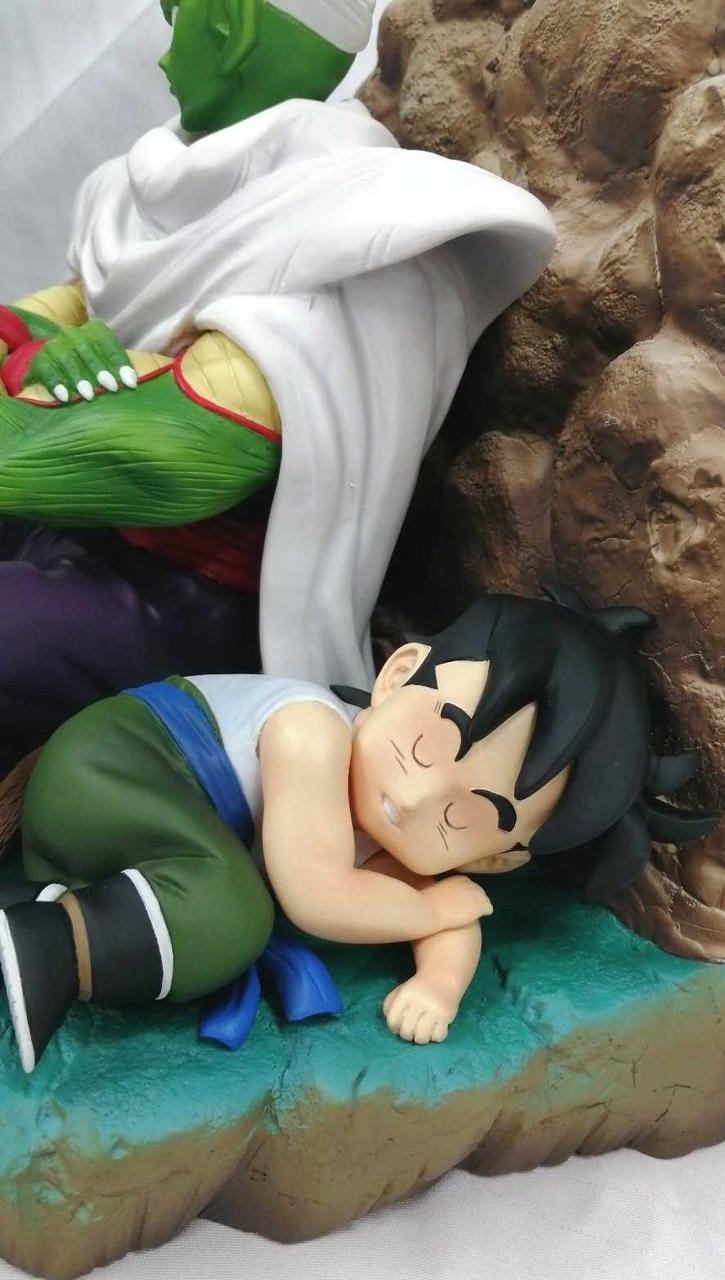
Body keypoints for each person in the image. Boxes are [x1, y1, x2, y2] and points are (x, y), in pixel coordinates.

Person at [0, 0, 557, 773]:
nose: (163, 51)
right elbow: (41, 319)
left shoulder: (355, 222)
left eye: (178, 18)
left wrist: (38, 367)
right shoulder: (146, 190)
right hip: (70, 533)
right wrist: (44, 358)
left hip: (191, 599)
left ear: (230, 28)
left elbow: (169, 451)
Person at [0, 587, 713, 1073]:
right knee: (232, 916)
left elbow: (453, 919)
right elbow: (316, 894)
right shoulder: (312, 731)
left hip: (140, 840)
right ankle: (53, 947)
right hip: (112, 770)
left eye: (463, 817)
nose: (418, 794)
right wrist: (428, 908)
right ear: (397, 674)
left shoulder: (400, 847)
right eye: (428, 744)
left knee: (223, 901)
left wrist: (438, 987)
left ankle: (61, 908)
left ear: (498, 858)